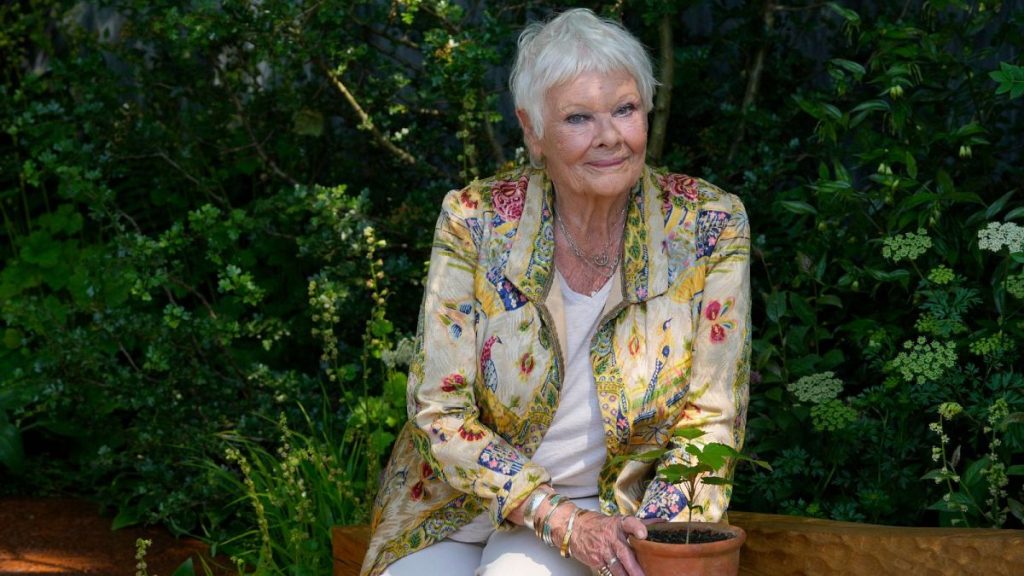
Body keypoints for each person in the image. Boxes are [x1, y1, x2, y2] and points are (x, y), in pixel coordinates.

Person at [360, 8, 750, 576]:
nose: (610, 137)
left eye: (625, 109)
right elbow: (437, 408)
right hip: (458, 504)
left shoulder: (707, 224)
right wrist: (555, 516)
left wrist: (655, 542)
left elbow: (713, 415)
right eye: (578, 118)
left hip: (607, 506)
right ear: (532, 131)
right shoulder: (476, 220)